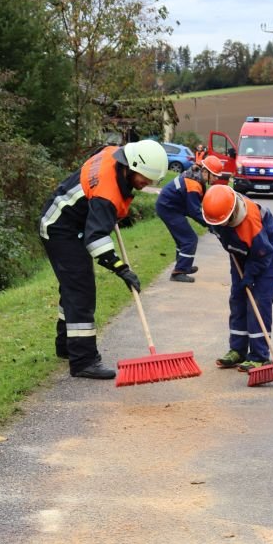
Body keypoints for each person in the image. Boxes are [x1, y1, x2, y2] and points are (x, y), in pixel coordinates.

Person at [38, 139, 167, 379]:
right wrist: (121, 269)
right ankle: (83, 361)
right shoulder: (106, 195)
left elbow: (99, 155)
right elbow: (95, 240)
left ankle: (66, 346)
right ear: (132, 165)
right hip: (60, 229)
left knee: (73, 286)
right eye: (144, 178)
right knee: (80, 290)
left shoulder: (114, 155)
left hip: (67, 222)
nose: (146, 184)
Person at [201, 185, 273, 373]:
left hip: (264, 255)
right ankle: (238, 349)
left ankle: (260, 356)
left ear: (233, 213)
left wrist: (251, 274)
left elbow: (263, 253)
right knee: (237, 298)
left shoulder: (250, 222)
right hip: (239, 252)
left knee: (258, 302)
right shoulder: (215, 212)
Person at [155, 155, 224, 283]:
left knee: (182, 239)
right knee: (189, 239)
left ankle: (183, 265)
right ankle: (179, 272)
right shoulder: (193, 183)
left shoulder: (196, 175)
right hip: (169, 209)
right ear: (205, 171)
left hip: (171, 207)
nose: (215, 179)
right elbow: (194, 211)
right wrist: (210, 224)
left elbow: (198, 206)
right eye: (214, 175)